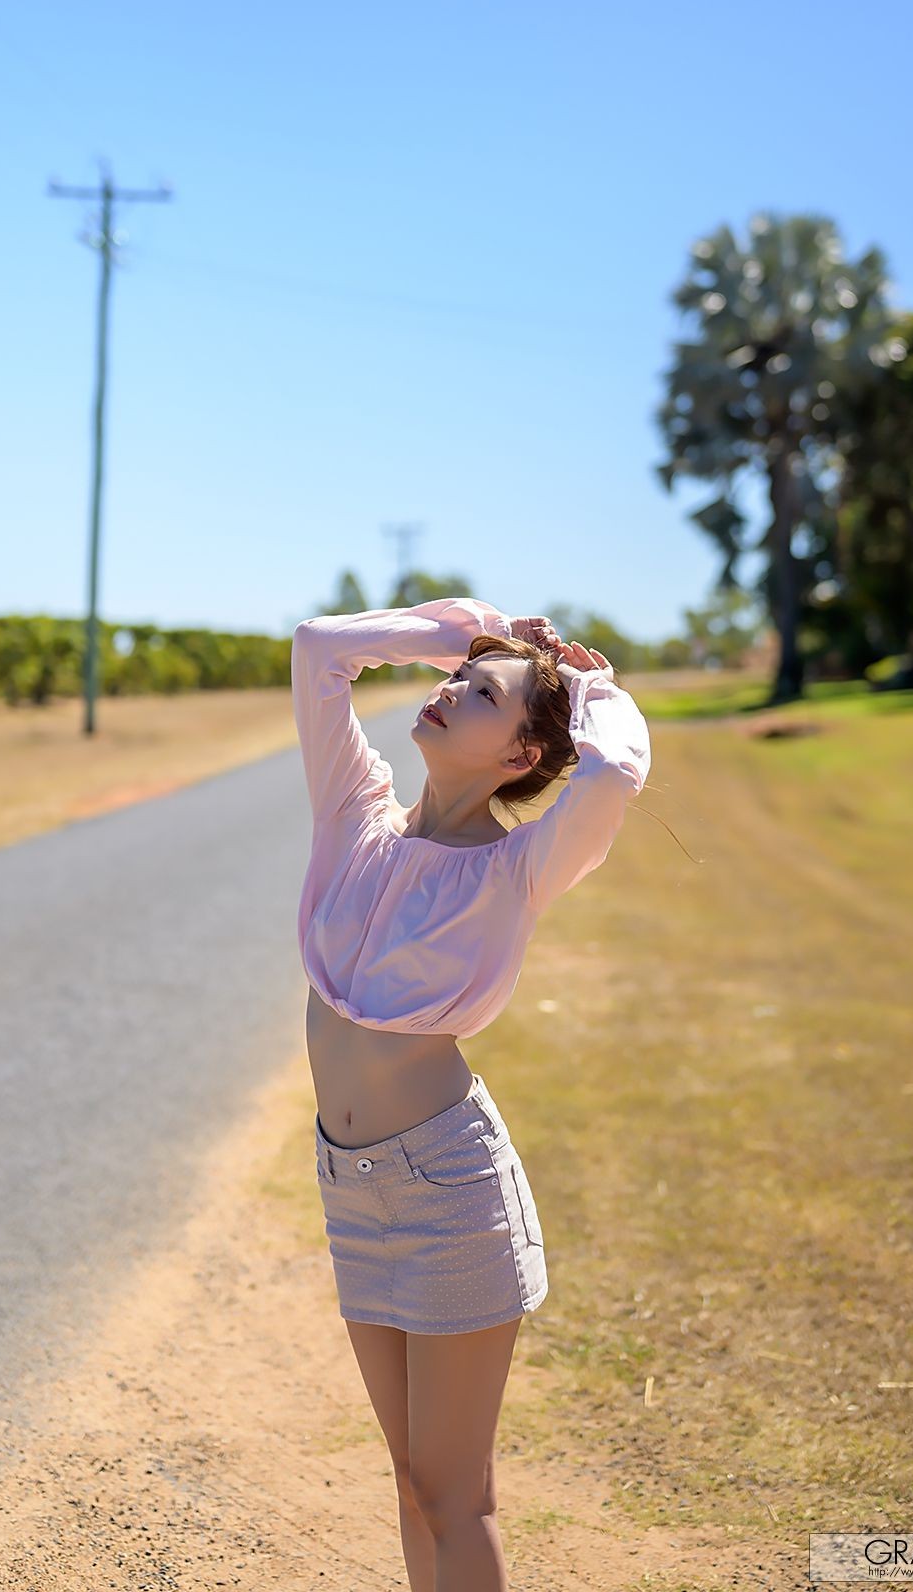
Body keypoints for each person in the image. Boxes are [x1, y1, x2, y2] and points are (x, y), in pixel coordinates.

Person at [292, 597, 652, 1592]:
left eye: (479, 695)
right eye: (453, 681)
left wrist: (584, 685)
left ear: (518, 759)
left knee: (453, 1497)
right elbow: (320, 650)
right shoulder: (353, 817)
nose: (449, 693)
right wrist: (465, 634)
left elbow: (615, 770)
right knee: (412, 1484)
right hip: (349, 1188)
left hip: (445, 1194)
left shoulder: (517, 870)